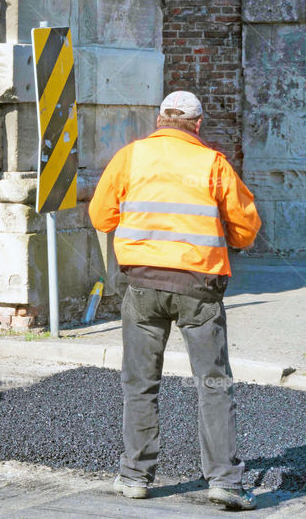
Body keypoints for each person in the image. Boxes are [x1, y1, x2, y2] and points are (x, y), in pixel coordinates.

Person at [88, 91, 262, 510]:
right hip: (199, 288)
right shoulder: (213, 163)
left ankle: (135, 476)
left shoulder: (130, 157)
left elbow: (100, 217)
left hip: (143, 286)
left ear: (160, 120)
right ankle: (224, 481)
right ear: (197, 124)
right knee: (213, 383)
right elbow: (245, 229)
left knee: (140, 382)